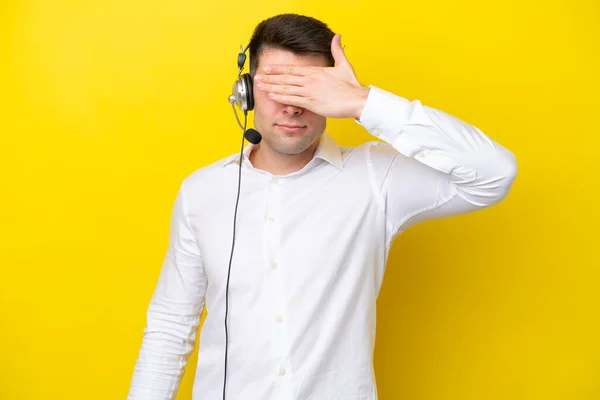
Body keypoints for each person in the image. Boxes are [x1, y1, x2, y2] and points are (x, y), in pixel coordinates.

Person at [127, 13, 518, 400]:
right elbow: (169, 327)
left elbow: (494, 172)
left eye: (309, 89)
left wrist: (364, 101)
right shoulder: (202, 191)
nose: (293, 106)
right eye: (278, 86)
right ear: (244, 91)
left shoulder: (375, 177)